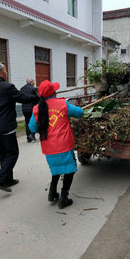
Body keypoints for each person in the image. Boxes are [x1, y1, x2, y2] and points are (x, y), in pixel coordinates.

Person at [29, 80, 83, 209]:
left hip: (49, 147)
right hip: (64, 145)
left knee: (56, 168)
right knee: (69, 170)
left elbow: (32, 127)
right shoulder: (62, 103)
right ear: (53, 92)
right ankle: (64, 198)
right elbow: (80, 113)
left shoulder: (37, 108)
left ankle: (52, 193)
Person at [0, 62, 39, 193]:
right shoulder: (7, 87)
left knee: (4, 154)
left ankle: (8, 179)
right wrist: (38, 97)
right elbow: (23, 98)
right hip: (5, 126)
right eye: (5, 71)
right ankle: (0, 180)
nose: (6, 73)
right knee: (12, 153)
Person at [20, 78, 38, 143]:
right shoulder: (33, 89)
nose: (34, 82)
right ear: (31, 82)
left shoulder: (22, 89)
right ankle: (32, 135)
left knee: (27, 122)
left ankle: (28, 137)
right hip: (31, 108)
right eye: (33, 81)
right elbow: (37, 98)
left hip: (24, 109)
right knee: (33, 122)